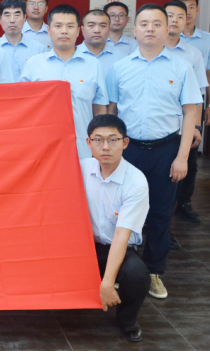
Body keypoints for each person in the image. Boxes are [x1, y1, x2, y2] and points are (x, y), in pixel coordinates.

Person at [106, 3, 202, 300]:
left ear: (168, 28)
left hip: (166, 149)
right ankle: (118, 271)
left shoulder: (181, 67)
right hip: (128, 150)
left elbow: (190, 112)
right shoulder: (119, 68)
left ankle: (154, 272)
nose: (150, 29)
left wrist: (182, 157)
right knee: (120, 211)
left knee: (160, 212)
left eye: (157, 24)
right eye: (144, 24)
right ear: (134, 30)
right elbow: (111, 111)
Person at [82, 115, 150, 343]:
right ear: (88, 142)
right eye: (98, 140)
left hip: (117, 245)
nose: (105, 147)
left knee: (136, 274)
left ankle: (127, 320)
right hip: (85, 245)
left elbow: (121, 236)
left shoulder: (136, 181)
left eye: (112, 140)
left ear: (125, 142)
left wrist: (108, 283)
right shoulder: (81, 168)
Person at [20, 5, 108, 160]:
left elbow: (99, 110)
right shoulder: (34, 65)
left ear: (78, 31)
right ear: (49, 30)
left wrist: (100, 144)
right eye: (58, 26)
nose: (64, 31)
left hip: (82, 150)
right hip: (42, 149)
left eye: (70, 26)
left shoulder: (93, 65)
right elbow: (23, 109)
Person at [164, 1, 207, 226]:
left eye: (180, 16)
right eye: (170, 15)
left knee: (185, 169)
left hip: (185, 124)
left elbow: (198, 93)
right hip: (158, 125)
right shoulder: (146, 47)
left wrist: (197, 127)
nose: (175, 20)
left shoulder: (193, 53)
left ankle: (182, 205)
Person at [0, 0, 46, 82]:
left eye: (17, 15)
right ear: (0, 19)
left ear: (24, 18)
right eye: (7, 15)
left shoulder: (39, 49)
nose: (12, 20)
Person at [77, 10, 126, 78]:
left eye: (102, 26)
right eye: (91, 25)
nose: (97, 30)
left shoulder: (121, 57)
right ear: (82, 30)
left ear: (109, 29)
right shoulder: (72, 55)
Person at [175, 0, 210, 69]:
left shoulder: (208, 39)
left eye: (191, 7)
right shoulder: (168, 37)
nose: (188, 12)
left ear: (197, 10)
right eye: (184, 7)